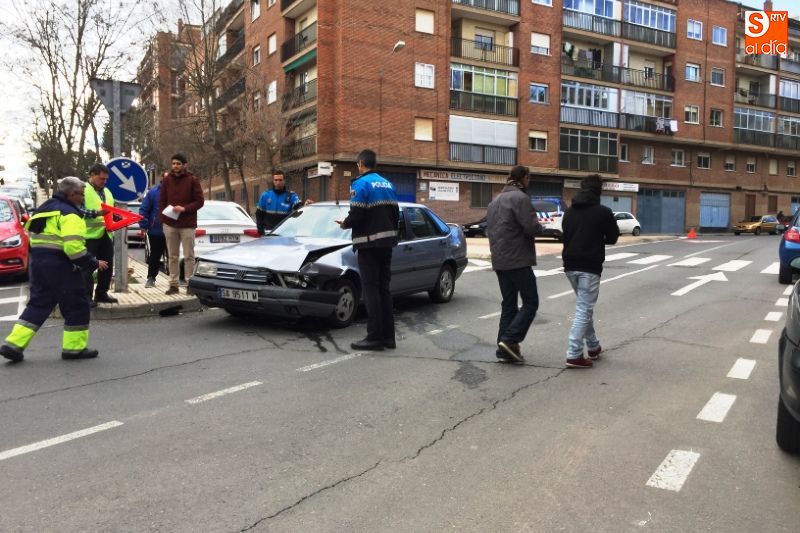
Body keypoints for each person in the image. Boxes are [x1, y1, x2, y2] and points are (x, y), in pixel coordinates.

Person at [0, 176, 108, 362]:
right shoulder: (70, 215)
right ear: (72, 194)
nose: (82, 198)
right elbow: (73, 249)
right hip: (61, 267)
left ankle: (13, 345)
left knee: (39, 304)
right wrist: (93, 263)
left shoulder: (44, 209)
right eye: (81, 195)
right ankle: (74, 349)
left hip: (39, 264)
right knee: (77, 305)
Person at [336, 149, 399, 351]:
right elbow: (396, 214)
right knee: (384, 290)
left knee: (371, 291)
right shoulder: (388, 184)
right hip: (387, 244)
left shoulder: (360, 184)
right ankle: (389, 338)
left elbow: (357, 215)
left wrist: (345, 224)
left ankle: (374, 337)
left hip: (369, 245)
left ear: (361, 164)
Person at [561, 174, 619, 369]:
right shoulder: (603, 212)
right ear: (599, 190)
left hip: (570, 265)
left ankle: (593, 347)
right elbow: (612, 237)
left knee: (584, 308)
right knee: (584, 309)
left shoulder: (569, 212)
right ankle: (574, 354)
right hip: (590, 266)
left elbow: (566, 236)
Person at [486, 165, 542, 363]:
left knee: (509, 305)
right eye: (529, 178)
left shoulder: (494, 202)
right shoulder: (520, 198)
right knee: (531, 302)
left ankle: (504, 351)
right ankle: (510, 340)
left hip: (500, 261)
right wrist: (541, 226)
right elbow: (531, 227)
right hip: (518, 259)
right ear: (525, 178)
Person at [159, 153, 205, 295]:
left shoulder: (192, 180)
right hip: (170, 224)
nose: (175, 166)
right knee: (172, 256)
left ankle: (190, 284)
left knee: (189, 256)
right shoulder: (166, 180)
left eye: (178, 163)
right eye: (173, 164)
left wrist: (184, 209)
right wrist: (163, 218)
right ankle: (173, 285)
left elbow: (200, 201)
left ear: (184, 165)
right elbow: (162, 201)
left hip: (187, 224)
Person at [83, 162, 117, 306]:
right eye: (101, 179)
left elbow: (111, 211)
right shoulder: (82, 190)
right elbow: (77, 210)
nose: (104, 182)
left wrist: (118, 219)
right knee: (87, 267)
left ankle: (101, 293)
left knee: (107, 265)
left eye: (106, 179)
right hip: (88, 236)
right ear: (92, 175)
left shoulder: (107, 192)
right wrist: (96, 213)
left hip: (106, 234)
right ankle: (86, 297)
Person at [255, 170, 308, 234]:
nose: (278, 182)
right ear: (273, 181)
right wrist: (260, 229)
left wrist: (305, 205)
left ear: (284, 181)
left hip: (284, 233)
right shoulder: (266, 195)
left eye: (280, 180)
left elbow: (299, 207)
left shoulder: (291, 195)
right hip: (268, 232)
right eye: (276, 180)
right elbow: (259, 214)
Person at [139, 173, 166, 288]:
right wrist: (144, 225)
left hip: (174, 229)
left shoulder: (177, 193)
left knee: (174, 256)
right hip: (156, 230)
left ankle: (178, 279)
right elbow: (144, 209)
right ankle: (151, 278)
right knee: (155, 254)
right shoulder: (153, 193)